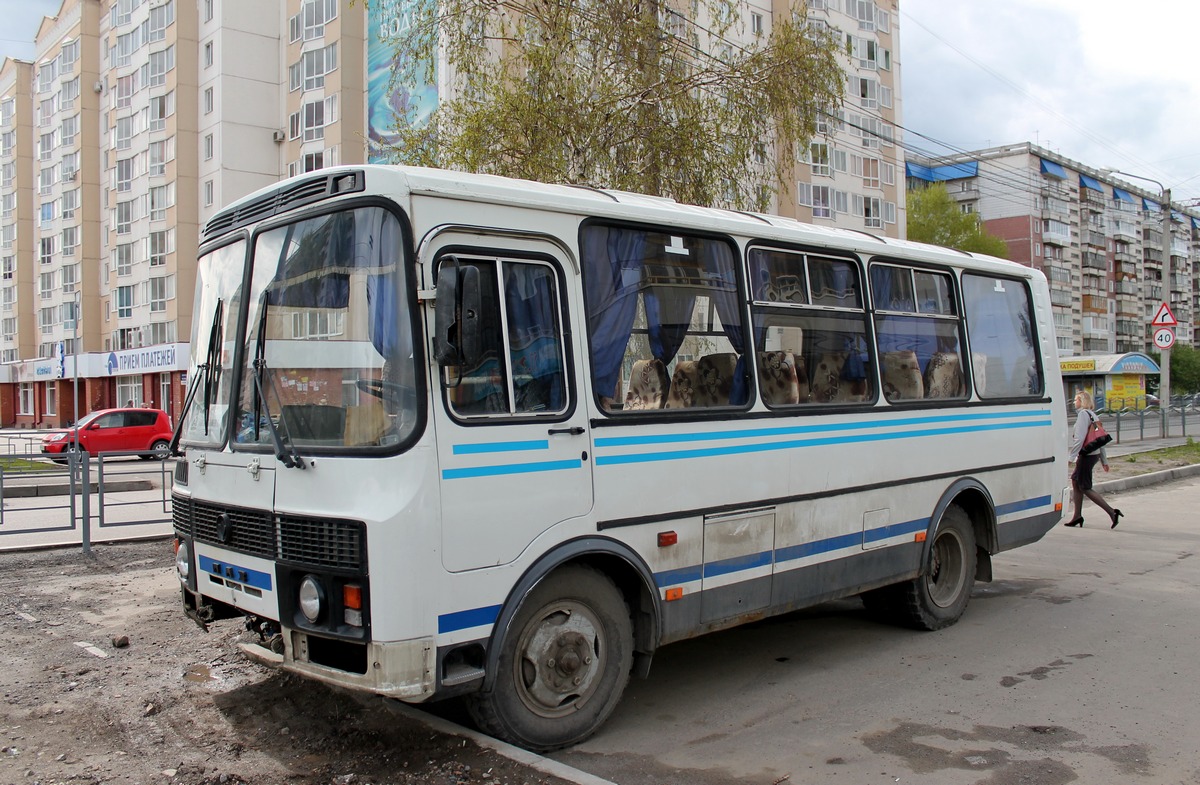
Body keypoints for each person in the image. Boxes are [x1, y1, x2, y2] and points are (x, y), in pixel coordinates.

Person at [1065, 390, 1123, 528]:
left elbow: (1079, 439)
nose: (1074, 402)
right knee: (1075, 480)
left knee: (1085, 486)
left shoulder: (1083, 415)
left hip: (1086, 455)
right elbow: (1099, 440)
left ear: (1081, 401)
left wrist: (1071, 458)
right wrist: (1104, 460)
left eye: (1076, 400)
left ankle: (1112, 512)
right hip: (1093, 454)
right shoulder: (1093, 415)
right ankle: (1077, 516)